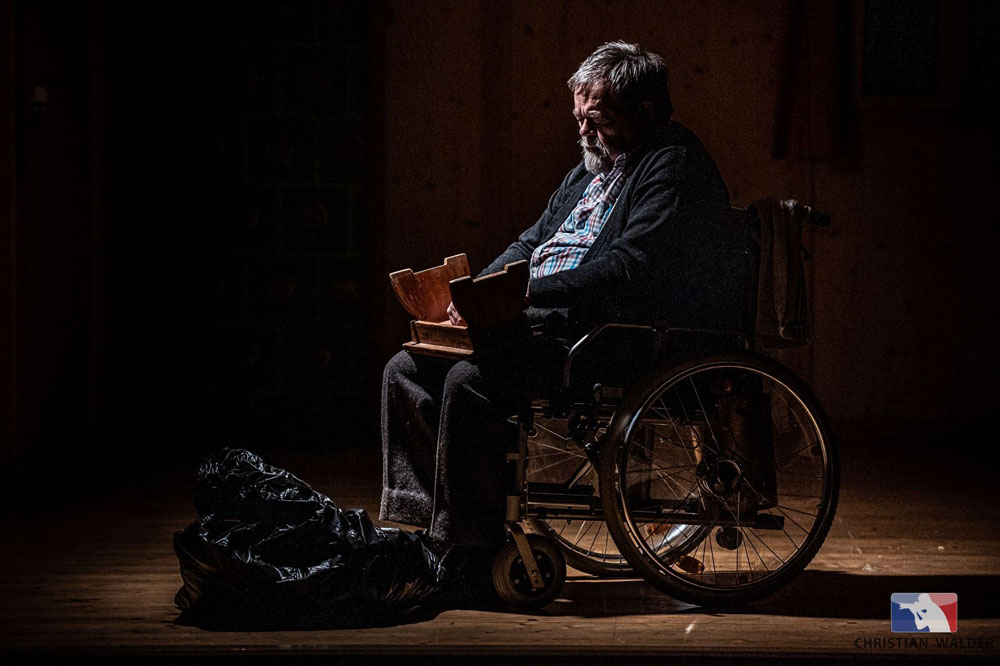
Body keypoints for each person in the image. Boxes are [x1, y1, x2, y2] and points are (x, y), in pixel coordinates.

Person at [380, 41, 731, 590]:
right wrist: (474, 293)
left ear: (646, 112)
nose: (584, 133)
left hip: (606, 333)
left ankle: (470, 546)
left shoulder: (672, 164)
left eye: (598, 120)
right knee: (404, 371)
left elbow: (630, 266)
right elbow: (531, 243)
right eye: (579, 118)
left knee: (472, 380)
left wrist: (526, 294)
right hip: (542, 319)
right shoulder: (591, 172)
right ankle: (429, 526)